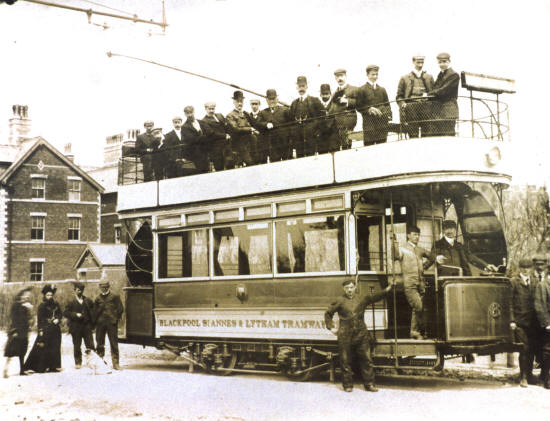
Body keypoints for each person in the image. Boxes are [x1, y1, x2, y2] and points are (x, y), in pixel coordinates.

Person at [325, 278, 394, 392]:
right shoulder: (340, 300)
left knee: (366, 359)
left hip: (361, 334)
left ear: (355, 287)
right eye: (347, 288)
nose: (349, 290)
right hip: (345, 334)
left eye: (351, 287)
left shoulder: (362, 298)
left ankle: (369, 384)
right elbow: (328, 313)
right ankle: (347, 385)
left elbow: (375, 297)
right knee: (345, 360)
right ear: (344, 289)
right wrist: (331, 327)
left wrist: (388, 288)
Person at [393, 225, 431, 339]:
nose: (417, 237)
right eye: (414, 234)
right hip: (410, 283)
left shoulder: (420, 249)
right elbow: (396, 255)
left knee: (420, 308)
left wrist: (425, 266)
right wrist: (394, 241)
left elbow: (432, 256)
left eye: (418, 234)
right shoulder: (403, 249)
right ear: (408, 235)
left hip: (421, 283)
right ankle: (414, 331)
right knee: (418, 306)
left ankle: (420, 332)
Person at [427, 219, 499, 276]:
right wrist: (434, 259)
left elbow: (470, 257)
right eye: (447, 228)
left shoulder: (459, 245)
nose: (450, 231)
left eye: (452, 228)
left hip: (460, 278)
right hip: (445, 280)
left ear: (455, 230)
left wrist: (486, 265)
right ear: (443, 230)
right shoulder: (438, 244)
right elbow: (431, 257)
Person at [510, 259, 540, 387]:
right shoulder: (513, 282)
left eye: (528, 268)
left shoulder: (535, 281)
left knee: (532, 348)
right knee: (524, 348)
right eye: (523, 268)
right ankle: (523, 377)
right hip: (519, 321)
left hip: (533, 321)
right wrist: (512, 320)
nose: (526, 270)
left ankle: (530, 374)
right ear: (519, 268)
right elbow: (509, 302)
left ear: (531, 268)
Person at [23, 285, 62, 373]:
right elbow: (40, 319)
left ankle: (53, 366)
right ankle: (40, 367)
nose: (50, 297)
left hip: (55, 329)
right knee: (43, 348)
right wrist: (40, 330)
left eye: (51, 295)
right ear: (45, 295)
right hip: (46, 329)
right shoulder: (42, 306)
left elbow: (60, 313)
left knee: (55, 347)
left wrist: (58, 319)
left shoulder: (56, 304)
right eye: (48, 295)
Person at [396, 54, 435, 138]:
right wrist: (403, 104)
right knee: (413, 134)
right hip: (411, 107)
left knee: (427, 132)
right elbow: (399, 96)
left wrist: (428, 95)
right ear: (413, 62)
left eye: (422, 62)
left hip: (426, 107)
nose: (420, 65)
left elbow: (434, 93)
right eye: (418, 62)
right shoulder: (405, 78)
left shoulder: (429, 77)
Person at [288, 76, 324, 157]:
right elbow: (291, 121)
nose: (301, 89)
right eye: (299, 86)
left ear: (307, 86)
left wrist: (317, 131)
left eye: (303, 86)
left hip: (312, 137)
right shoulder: (294, 103)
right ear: (296, 87)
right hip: (299, 139)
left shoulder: (314, 100)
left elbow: (322, 117)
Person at [357, 65, 392, 146]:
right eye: (373, 74)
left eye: (376, 74)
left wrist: (388, 116)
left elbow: (387, 104)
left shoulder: (382, 89)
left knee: (382, 146)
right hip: (369, 124)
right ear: (368, 75)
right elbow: (359, 106)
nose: (375, 76)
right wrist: (369, 109)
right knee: (369, 147)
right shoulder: (362, 89)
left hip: (382, 124)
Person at [64, 282, 95, 369]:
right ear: (74, 290)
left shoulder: (88, 301)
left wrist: (92, 324)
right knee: (77, 345)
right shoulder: (71, 301)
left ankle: (92, 361)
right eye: (78, 290)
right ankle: (78, 362)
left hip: (86, 326)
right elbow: (65, 313)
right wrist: (75, 314)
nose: (79, 292)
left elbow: (93, 312)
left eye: (81, 290)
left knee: (90, 345)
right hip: (75, 327)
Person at [3, 287, 33, 378]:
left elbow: (29, 319)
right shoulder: (15, 306)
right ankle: (5, 369)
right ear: (20, 296)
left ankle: (22, 369)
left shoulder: (26, 306)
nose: (26, 298)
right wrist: (14, 331)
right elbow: (13, 319)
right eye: (25, 296)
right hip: (16, 331)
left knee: (22, 351)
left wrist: (30, 310)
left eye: (28, 297)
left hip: (24, 331)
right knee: (10, 351)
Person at [428, 52, 460, 137]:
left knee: (448, 136)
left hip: (449, 111)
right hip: (439, 111)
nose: (442, 64)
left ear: (449, 61)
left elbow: (443, 91)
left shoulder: (454, 75)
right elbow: (436, 89)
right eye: (440, 62)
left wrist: (429, 94)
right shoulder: (441, 74)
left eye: (444, 61)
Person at [94, 281, 124, 370]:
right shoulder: (97, 298)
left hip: (111, 323)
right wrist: (95, 322)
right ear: (100, 288)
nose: (103, 289)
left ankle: (116, 364)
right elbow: (94, 312)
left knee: (114, 344)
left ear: (108, 287)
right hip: (100, 324)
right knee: (99, 343)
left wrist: (115, 318)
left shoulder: (115, 297)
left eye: (105, 287)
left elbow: (120, 309)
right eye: (102, 287)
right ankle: (100, 363)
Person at [256, 89, 290, 162]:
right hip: (272, 146)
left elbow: (291, 124)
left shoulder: (285, 110)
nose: (272, 101)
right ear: (266, 100)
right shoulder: (263, 113)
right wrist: (266, 124)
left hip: (285, 144)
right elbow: (257, 124)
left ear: (277, 99)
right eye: (269, 99)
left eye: (273, 99)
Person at [226, 91, 257, 167]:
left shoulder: (246, 114)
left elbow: (253, 125)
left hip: (251, 143)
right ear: (234, 102)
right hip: (239, 145)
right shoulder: (230, 115)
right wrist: (250, 129)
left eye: (241, 101)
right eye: (237, 101)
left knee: (255, 161)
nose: (240, 103)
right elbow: (236, 129)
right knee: (250, 163)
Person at [330, 68, 358, 150]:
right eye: (337, 77)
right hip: (338, 123)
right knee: (341, 146)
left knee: (348, 144)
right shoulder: (334, 93)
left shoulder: (353, 89)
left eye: (341, 76)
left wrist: (347, 101)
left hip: (348, 120)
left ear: (345, 76)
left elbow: (360, 103)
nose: (339, 78)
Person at [200, 102, 232, 171]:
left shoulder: (219, 115)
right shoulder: (204, 121)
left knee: (230, 163)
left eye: (213, 109)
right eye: (209, 109)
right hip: (215, 146)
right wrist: (225, 135)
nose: (211, 111)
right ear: (206, 109)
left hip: (227, 144)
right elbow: (211, 133)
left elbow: (227, 125)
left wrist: (228, 134)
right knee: (219, 166)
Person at [534, 264, 550, 389]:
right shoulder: (543, 286)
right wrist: (547, 323)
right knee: (547, 351)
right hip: (548, 325)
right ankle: (544, 377)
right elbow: (539, 306)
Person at [182, 105, 209, 173]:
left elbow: (209, 132)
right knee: (201, 172)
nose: (190, 115)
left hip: (206, 150)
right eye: (187, 113)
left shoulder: (201, 122)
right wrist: (203, 136)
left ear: (194, 112)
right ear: (185, 114)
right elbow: (192, 140)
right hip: (196, 154)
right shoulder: (185, 127)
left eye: (191, 112)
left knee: (208, 170)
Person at [318, 83, 337, 154]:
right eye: (323, 94)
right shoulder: (318, 105)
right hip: (322, 139)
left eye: (327, 93)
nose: (325, 96)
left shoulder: (335, 105)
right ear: (320, 94)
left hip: (333, 137)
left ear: (330, 94)